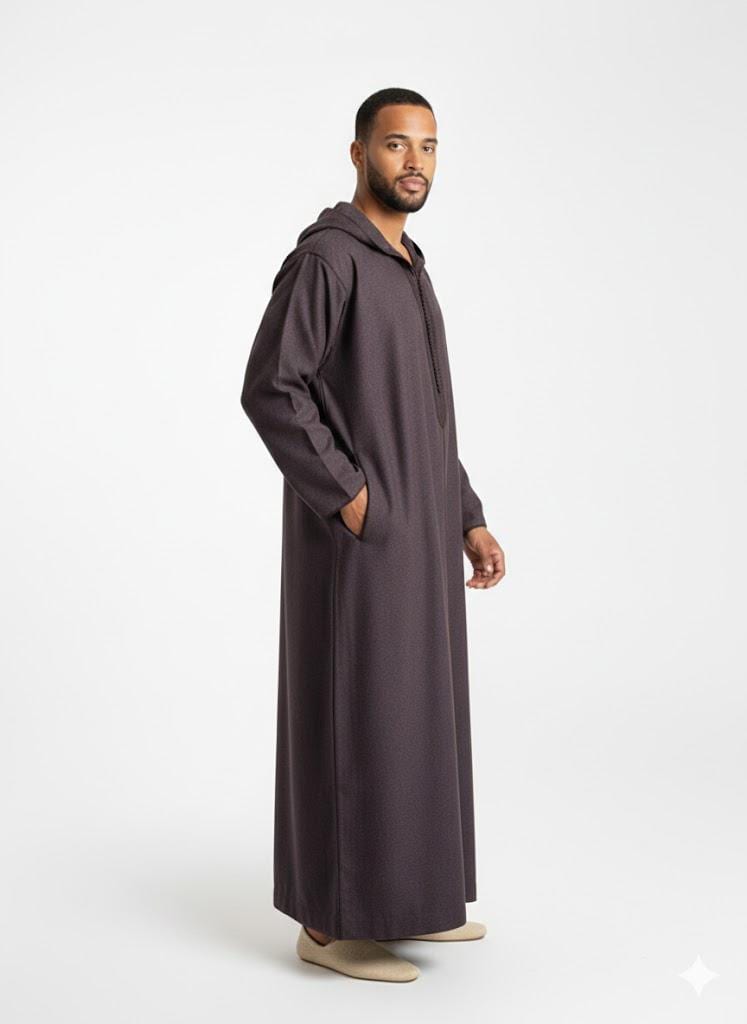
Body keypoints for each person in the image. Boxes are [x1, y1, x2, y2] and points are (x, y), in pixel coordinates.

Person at [240, 87, 506, 982]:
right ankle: (329, 927)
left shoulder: (408, 268)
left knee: (414, 720)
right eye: (396, 144)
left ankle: (409, 904)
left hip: (419, 539)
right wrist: (352, 499)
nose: (414, 161)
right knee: (356, 719)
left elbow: (424, 419)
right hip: (359, 547)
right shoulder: (327, 259)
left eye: (427, 145)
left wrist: (466, 514)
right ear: (358, 153)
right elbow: (272, 387)